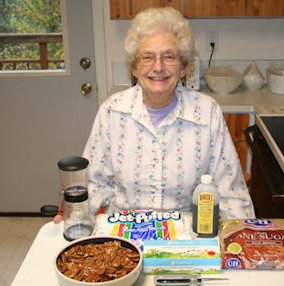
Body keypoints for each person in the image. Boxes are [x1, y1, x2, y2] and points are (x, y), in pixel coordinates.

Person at [54, 7, 254, 223]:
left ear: (184, 66)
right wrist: (76, 218)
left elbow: (231, 193)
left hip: (186, 237)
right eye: (147, 57)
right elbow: (95, 184)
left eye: (169, 57)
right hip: (124, 235)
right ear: (134, 67)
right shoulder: (112, 112)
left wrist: (241, 237)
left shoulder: (207, 112)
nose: (158, 67)